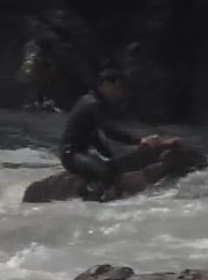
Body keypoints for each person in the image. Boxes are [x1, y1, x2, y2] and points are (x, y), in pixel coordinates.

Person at [58, 69, 168, 198]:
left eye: (122, 88)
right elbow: (109, 132)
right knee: (106, 171)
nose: (120, 92)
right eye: (117, 87)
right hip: (71, 155)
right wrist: (139, 141)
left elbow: (93, 135)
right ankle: (95, 201)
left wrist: (108, 155)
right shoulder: (92, 103)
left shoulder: (94, 101)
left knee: (111, 166)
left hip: (80, 153)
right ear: (104, 85)